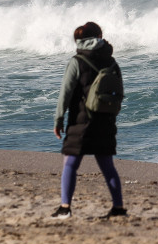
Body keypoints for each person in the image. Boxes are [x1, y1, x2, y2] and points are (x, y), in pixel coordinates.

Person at [51, 21, 126, 219]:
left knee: (70, 164)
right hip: (105, 121)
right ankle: (118, 208)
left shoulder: (77, 61)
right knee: (108, 166)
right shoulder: (112, 62)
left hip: (81, 122)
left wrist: (58, 119)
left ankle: (65, 207)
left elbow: (65, 93)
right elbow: (118, 92)